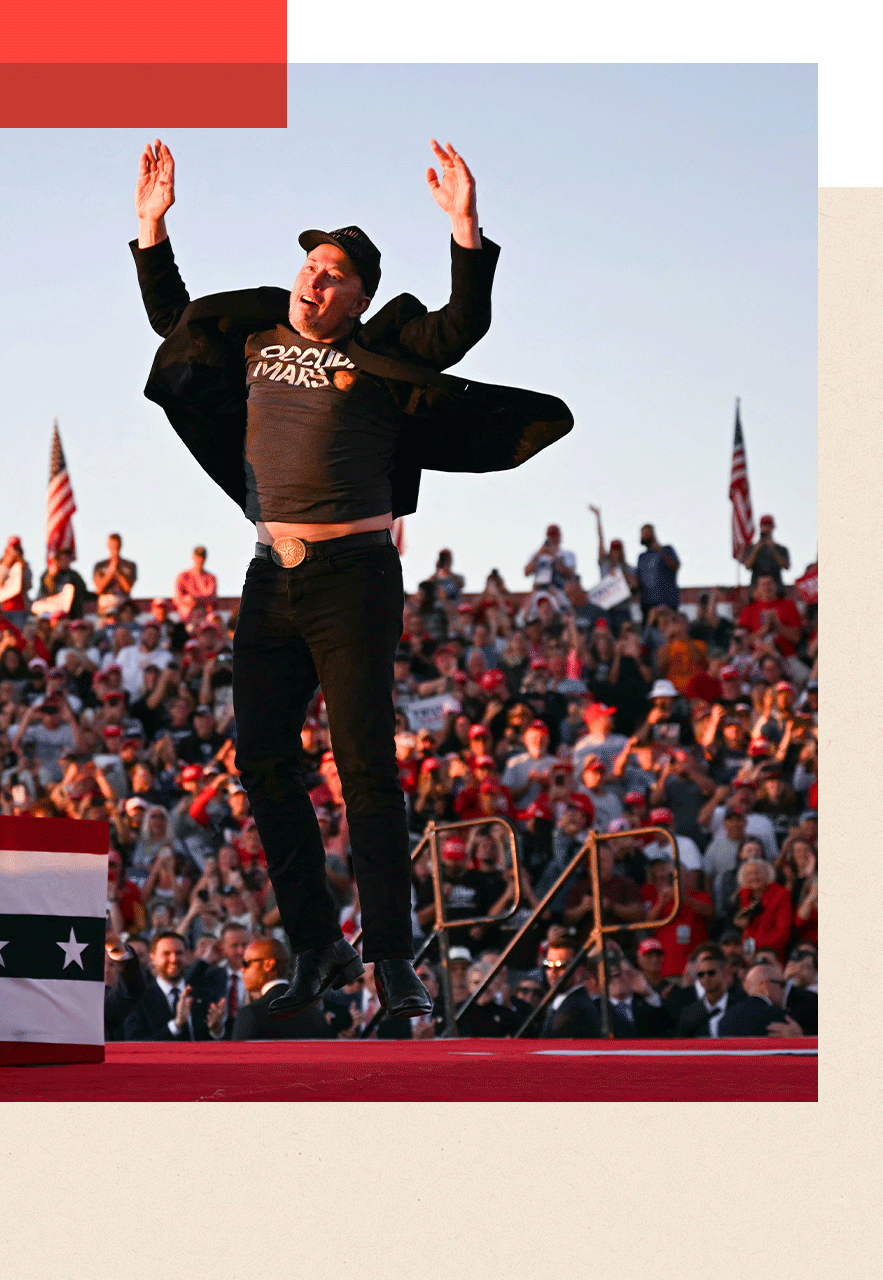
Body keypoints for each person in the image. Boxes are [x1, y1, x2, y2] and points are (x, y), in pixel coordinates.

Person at [130, 137, 570, 1024]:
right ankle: (314, 944)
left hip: (354, 575)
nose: (313, 282)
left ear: (359, 295)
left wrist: (464, 229)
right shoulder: (255, 338)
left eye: (333, 274)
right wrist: (151, 229)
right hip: (269, 578)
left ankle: (392, 958)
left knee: (366, 768)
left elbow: (460, 328)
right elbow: (174, 323)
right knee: (260, 760)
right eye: (308, 266)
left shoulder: (381, 347)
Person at [231, 938, 334, 1040]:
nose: (242, 969)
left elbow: (238, 1056)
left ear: (268, 964)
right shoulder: (315, 1015)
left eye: (246, 963)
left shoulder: (251, 1014)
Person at [717, 963, 805, 1037]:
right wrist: (797, 1038)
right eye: (782, 984)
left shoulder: (725, 1018)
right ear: (765, 986)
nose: (784, 991)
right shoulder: (779, 1017)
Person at [635, 524, 681, 615]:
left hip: (667, 603)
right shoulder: (642, 557)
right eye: (642, 534)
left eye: (645, 533)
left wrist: (660, 551)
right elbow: (638, 579)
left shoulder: (667, 549)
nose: (643, 536)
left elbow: (675, 566)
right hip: (647, 605)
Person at [92, 533, 138, 618]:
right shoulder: (99, 565)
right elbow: (99, 589)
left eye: (116, 545)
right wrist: (111, 571)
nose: (114, 548)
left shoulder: (130, 565)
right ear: (107, 545)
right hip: (106, 600)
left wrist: (118, 571)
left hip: (122, 600)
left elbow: (128, 588)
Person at [741, 514, 791, 584]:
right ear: (760, 527)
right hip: (757, 587)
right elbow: (747, 566)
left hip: (776, 587)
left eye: (769, 526)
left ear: (773, 527)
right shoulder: (752, 548)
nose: (766, 528)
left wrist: (773, 549)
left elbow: (786, 566)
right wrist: (756, 549)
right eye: (764, 525)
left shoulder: (780, 549)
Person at [173, 545, 219, 621]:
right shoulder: (182, 576)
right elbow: (178, 599)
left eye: (202, 557)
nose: (200, 560)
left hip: (205, 617)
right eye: (198, 557)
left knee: (217, 621)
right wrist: (200, 600)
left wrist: (193, 599)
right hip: (187, 617)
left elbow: (212, 598)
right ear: (193, 557)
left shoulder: (210, 578)